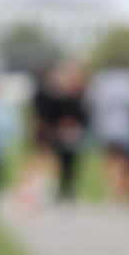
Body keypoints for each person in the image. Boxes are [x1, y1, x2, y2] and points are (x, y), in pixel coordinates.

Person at [85, 57, 129, 202]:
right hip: (128, 125)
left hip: (106, 125)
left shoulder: (101, 78)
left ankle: (115, 192)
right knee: (128, 159)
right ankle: (128, 191)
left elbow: (90, 102)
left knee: (112, 159)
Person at [48, 62, 87, 202]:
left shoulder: (80, 95)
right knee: (60, 161)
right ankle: (60, 189)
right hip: (60, 131)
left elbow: (84, 115)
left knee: (72, 162)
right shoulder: (56, 96)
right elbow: (52, 115)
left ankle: (70, 189)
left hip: (75, 131)